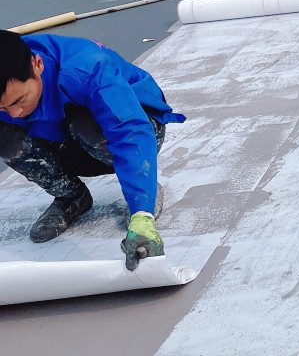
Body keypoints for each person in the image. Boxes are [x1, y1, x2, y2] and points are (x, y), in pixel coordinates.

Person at [0, 28, 184, 271]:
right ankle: (72, 197)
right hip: (64, 138)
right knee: (5, 137)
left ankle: (145, 190)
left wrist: (142, 213)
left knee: (82, 123)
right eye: (3, 108)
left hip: (137, 129)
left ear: (38, 65)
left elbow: (129, 132)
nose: (15, 113)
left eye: (19, 100)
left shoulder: (86, 68)